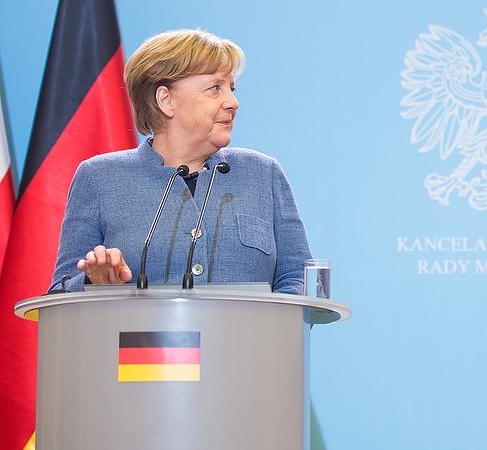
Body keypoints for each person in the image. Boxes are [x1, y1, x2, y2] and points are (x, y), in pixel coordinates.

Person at [50, 29, 311, 294]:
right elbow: (61, 292)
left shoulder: (264, 174)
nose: (233, 102)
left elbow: (297, 280)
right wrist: (94, 282)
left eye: (231, 88)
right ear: (166, 100)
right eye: (215, 88)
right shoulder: (98, 177)